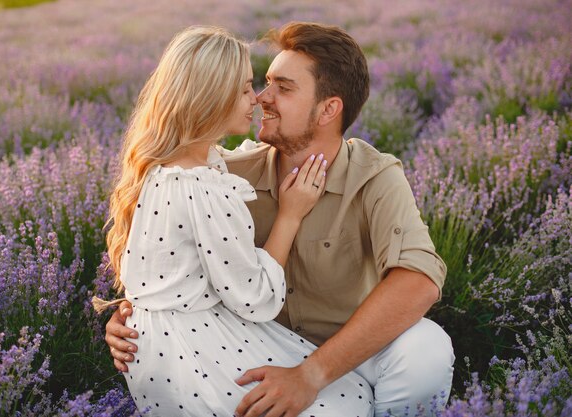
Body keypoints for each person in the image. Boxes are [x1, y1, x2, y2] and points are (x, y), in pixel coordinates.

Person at [105, 22, 455, 417]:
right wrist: (132, 316)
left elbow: (418, 282)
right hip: (254, 346)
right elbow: (172, 252)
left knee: (426, 350)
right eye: (264, 82)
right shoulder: (223, 177)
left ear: (328, 109)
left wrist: (312, 374)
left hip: (347, 345)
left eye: (283, 88)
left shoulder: (374, 177)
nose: (261, 98)